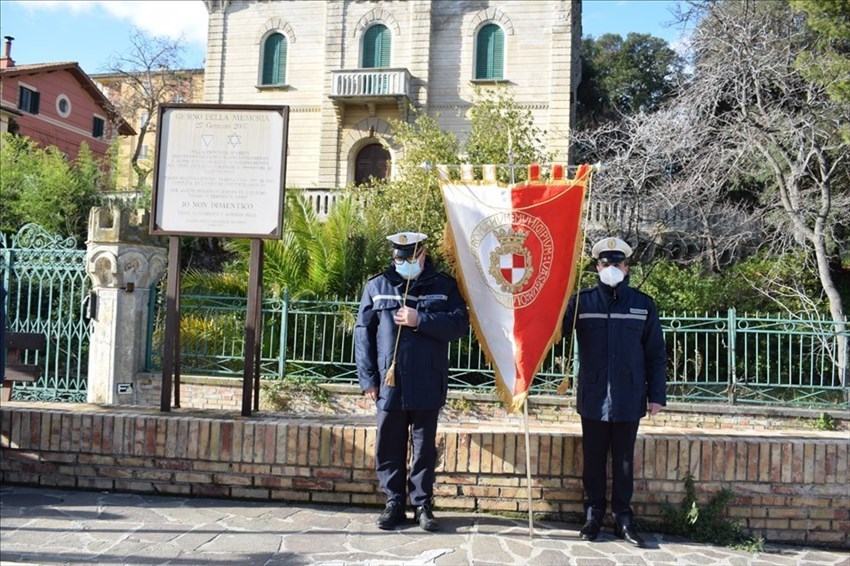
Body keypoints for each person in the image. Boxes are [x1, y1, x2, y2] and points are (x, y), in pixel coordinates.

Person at [354, 231, 469, 532]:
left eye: (410, 256)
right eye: (399, 257)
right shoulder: (377, 286)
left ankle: (422, 504)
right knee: (388, 444)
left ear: (423, 253)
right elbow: (363, 334)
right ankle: (393, 501)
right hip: (389, 381)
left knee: (423, 448)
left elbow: (459, 324)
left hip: (427, 380)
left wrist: (422, 320)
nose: (405, 262)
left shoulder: (443, 286)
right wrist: (367, 378)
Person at [562, 236, 667, 548]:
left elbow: (656, 353)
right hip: (593, 394)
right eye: (605, 263)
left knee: (623, 461)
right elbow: (557, 331)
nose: (611, 268)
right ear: (597, 266)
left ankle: (623, 518)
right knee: (593, 460)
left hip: (629, 395)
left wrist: (656, 394)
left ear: (627, 267)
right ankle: (593, 516)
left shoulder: (643, 304)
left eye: (617, 263)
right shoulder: (582, 302)